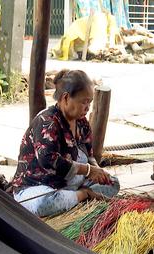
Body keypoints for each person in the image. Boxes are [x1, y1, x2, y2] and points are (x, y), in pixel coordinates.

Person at [9, 69, 119, 217]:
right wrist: (88, 171)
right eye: (83, 102)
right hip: (37, 187)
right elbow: (49, 160)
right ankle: (83, 195)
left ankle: (70, 197)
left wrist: (98, 171)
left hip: (68, 183)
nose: (87, 108)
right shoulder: (46, 122)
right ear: (66, 98)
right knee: (43, 203)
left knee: (113, 183)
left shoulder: (82, 123)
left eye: (90, 102)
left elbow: (89, 154)